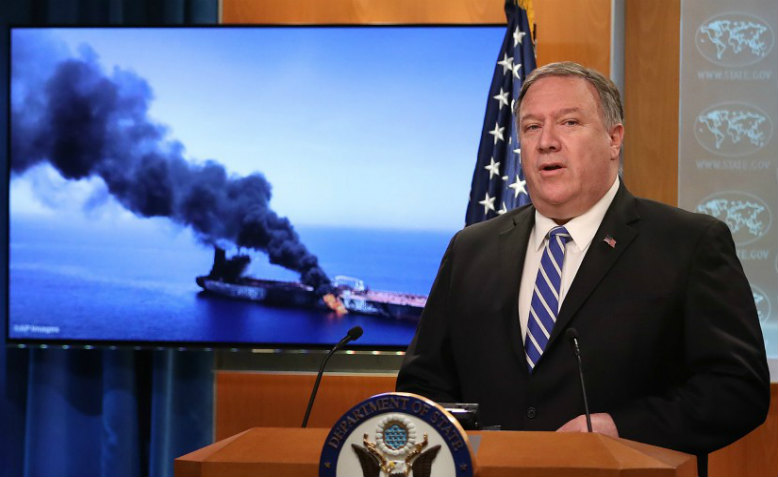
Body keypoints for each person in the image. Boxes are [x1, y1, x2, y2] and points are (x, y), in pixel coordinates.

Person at [396, 62, 769, 466]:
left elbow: (736, 390)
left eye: (569, 122)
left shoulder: (688, 244)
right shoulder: (471, 249)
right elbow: (423, 385)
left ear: (614, 139)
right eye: (532, 126)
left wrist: (619, 428)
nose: (547, 142)